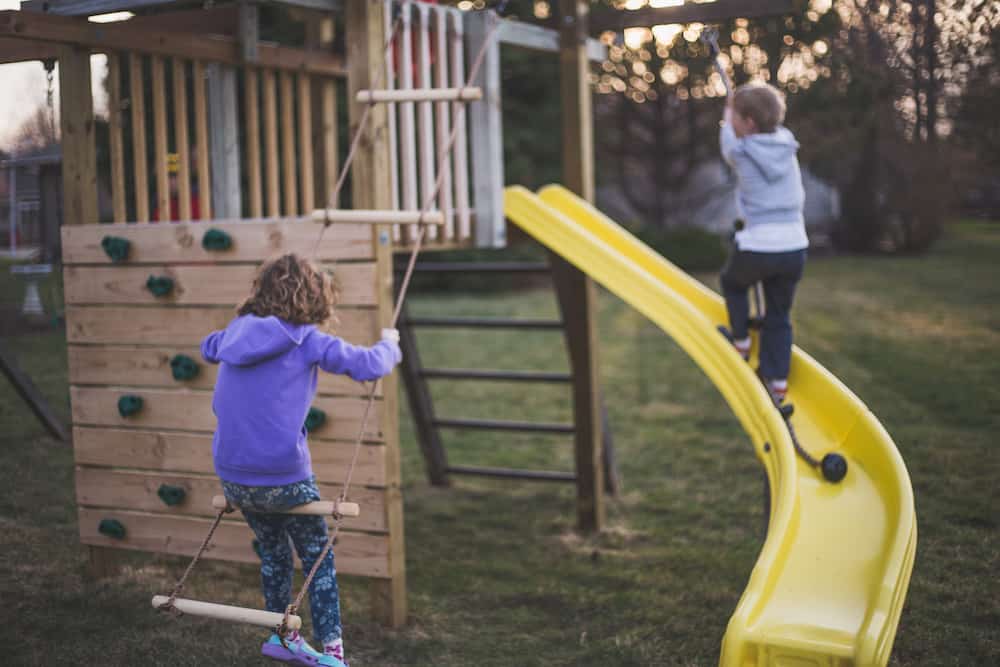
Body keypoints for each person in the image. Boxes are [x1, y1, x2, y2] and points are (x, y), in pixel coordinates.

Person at [200, 253, 402, 666]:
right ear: (315, 297)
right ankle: (333, 653)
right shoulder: (308, 339)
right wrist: (391, 345)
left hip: (234, 477)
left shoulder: (236, 333)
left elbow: (208, 347)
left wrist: (225, 338)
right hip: (282, 477)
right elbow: (367, 366)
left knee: (273, 552)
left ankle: (281, 637)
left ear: (261, 291)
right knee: (317, 557)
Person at [717, 79, 808, 404]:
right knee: (779, 315)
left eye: (738, 118)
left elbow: (728, 138)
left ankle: (740, 340)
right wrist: (738, 105)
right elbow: (754, 123)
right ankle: (777, 381)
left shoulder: (740, 152)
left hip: (759, 246)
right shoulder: (787, 146)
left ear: (749, 124)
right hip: (795, 247)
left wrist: (727, 114)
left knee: (733, 283)